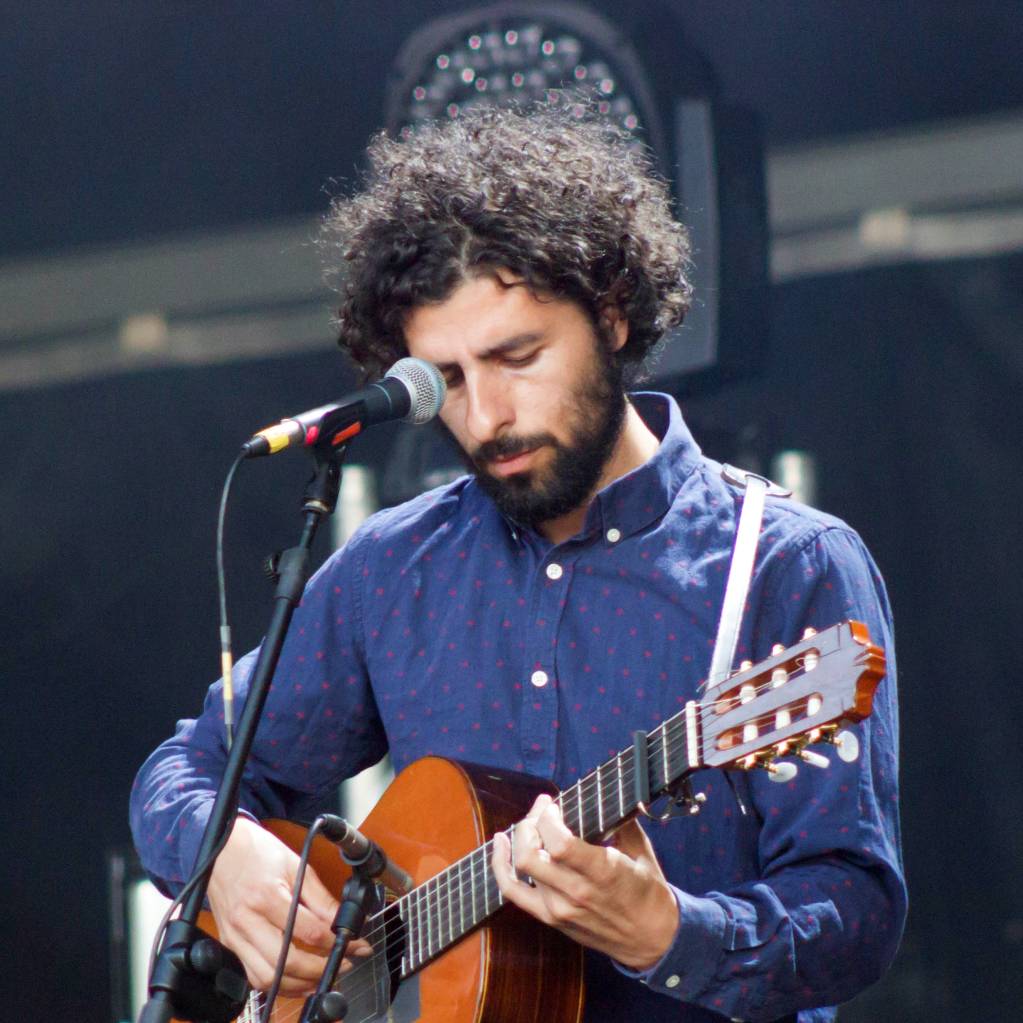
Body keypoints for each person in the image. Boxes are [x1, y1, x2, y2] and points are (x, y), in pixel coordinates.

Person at [131, 105, 906, 1022]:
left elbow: (853, 910)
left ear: (611, 316)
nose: (487, 413)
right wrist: (220, 849)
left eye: (517, 356)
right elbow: (186, 768)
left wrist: (672, 933)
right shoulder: (393, 564)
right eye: (447, 379)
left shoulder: (783, 563)